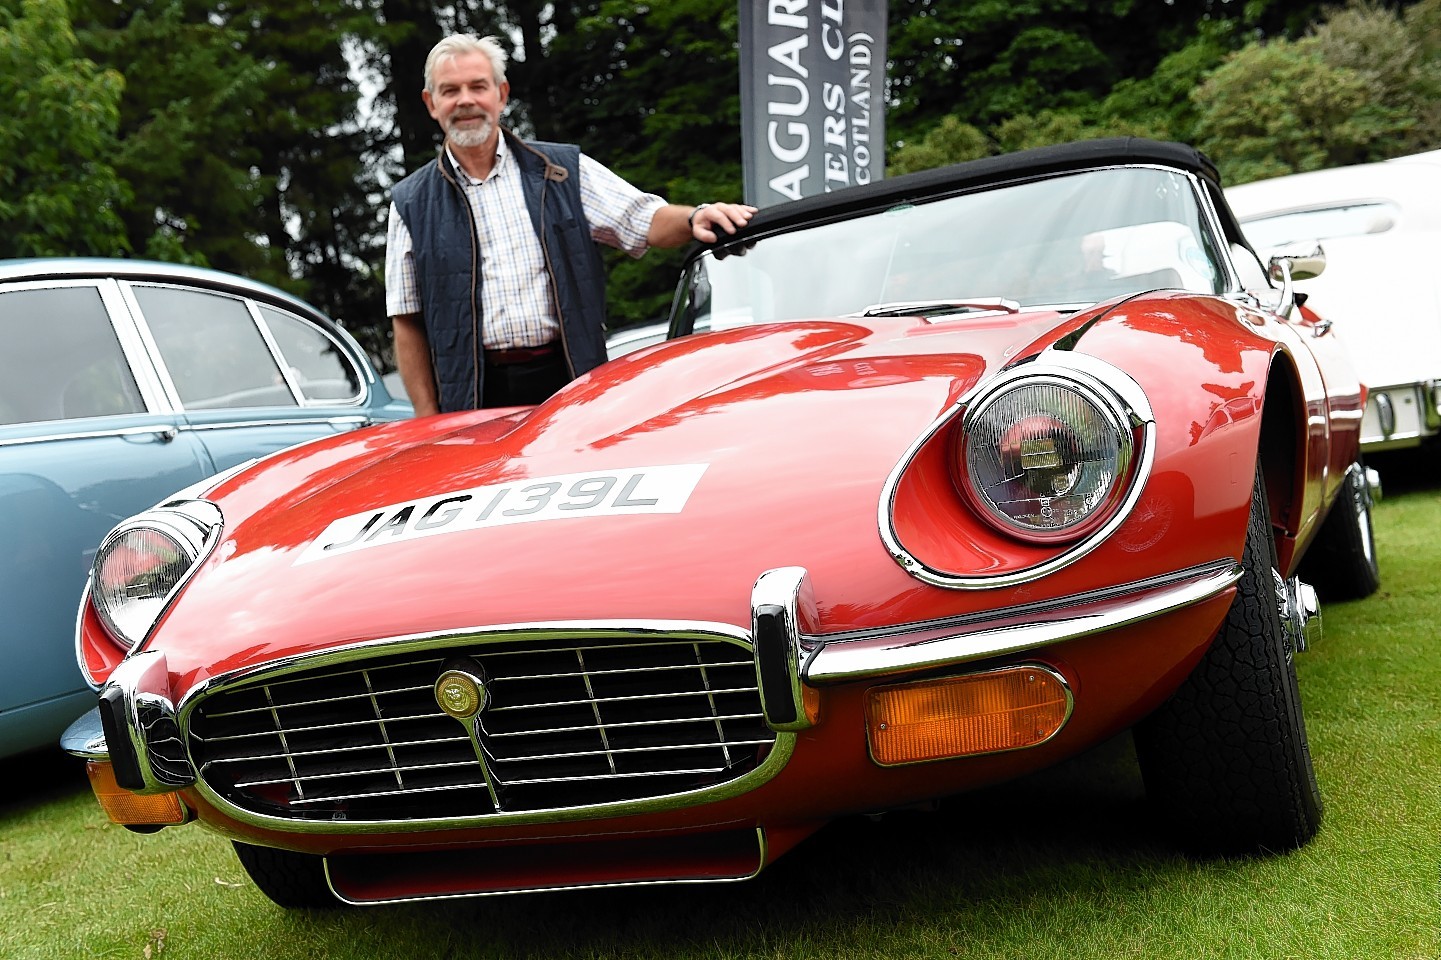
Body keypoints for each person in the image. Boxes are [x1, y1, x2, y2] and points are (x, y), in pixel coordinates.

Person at [385, 33, 756, 414]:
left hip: (569, 380)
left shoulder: (561, 172)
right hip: (472, 397)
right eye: (450, 90)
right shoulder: (410, 203)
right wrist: (429, 423)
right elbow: (407, 321)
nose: (465, 100)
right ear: (431, 104)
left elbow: (642, 220)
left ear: (501, 94)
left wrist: (695, 216)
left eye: (478, 86)